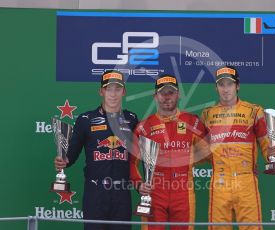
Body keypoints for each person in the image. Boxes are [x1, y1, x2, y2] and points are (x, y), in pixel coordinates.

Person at [54, 70, 139, 230]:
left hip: (121, 192)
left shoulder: (131, 119)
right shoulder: (86, 119)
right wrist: (64, 160)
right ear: (101, 91)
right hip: (95, 191)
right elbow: (72, 153)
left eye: (117, 89)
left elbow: (142, 154)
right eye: (108, 89)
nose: (113, 94)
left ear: (124, 92)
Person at [201, 66, 275, 230]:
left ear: (237, 86)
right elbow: (202, 152)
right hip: (219, 181)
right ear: (216, 87)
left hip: (246, 181)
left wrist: (272, 155)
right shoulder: (207, 115)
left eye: (229, 84)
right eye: (221, 85)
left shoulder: (253, 111)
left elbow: (266, 144)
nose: (225, 89)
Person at [130, 74, 209, 230]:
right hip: (154, 192)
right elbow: (132, 162)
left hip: (183, 192)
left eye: (171, 92)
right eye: (162, 93)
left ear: (178, 95)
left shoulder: (192, 122)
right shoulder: (144, 127)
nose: (166, 97)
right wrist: (139, 184)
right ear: (155, 96)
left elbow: (210, 153)